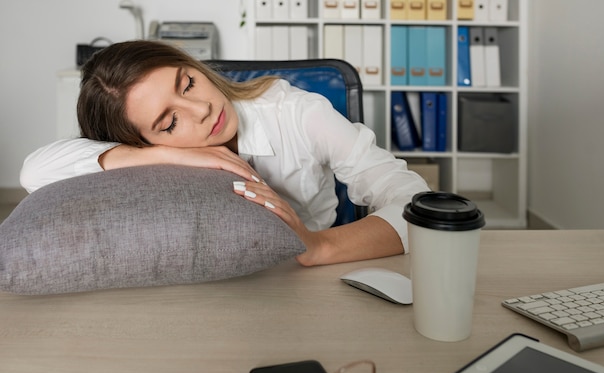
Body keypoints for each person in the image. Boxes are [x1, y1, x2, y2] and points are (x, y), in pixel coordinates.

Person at [20, 40, 430, 267]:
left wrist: (320, 246)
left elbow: (415, 204)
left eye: (188, 84)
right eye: (170, 123)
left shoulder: (298, 113)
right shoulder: (149, 152)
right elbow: (33, 172)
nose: (203, 111)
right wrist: (166, 157)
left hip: (300, 272)